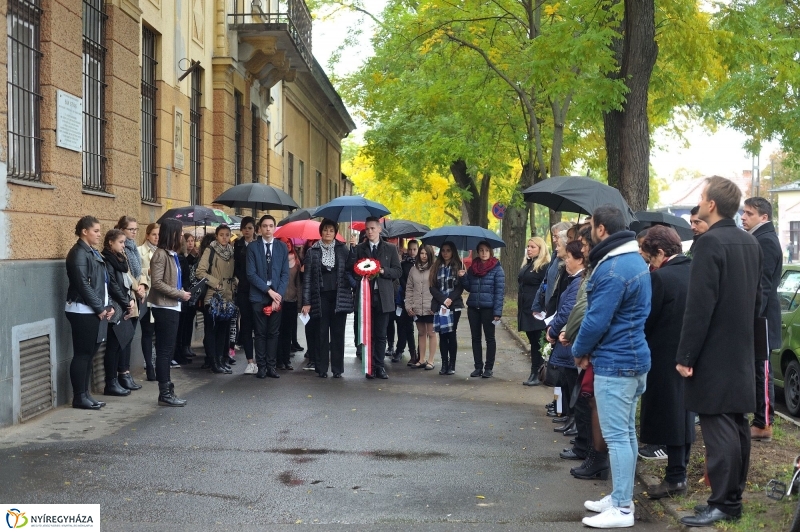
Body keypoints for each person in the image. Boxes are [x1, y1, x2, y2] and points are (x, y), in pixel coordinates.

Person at [676, 176, 762, 527]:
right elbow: (758, 298)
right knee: (737, 424)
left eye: (701, 197)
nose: (699, 201)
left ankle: (724, 504)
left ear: (711, 205)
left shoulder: (709, 243)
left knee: (719, 427)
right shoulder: (749, 242)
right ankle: (730, 499)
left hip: (713, 349)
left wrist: (685, 356)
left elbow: (699, 306)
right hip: (740, 346)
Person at [571, 205, 651, 529]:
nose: (588, 231)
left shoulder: (613, 267)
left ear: (602, 229)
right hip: (632, 358)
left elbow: (595, 320)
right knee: (626, 434)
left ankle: (621, 508)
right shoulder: (633, 260)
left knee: (617, 437)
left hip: (616, 363)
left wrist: (579, 350)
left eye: (591, 225)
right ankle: (621, 496)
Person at [638, 226, 694, 499]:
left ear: (661, 253)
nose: (650, 263)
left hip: (663, 354)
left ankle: (675, 477)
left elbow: (647, 320)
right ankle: (678, 472)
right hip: (690, 354)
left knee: (670, 415)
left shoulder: (661, 278)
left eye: (650, 258)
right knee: (684, 414)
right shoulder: (695, 271)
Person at [742, 197, 782, 442]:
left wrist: (753, 317)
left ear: (764, 217)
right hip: (760, 316)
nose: (743, 217)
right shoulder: (759, 239)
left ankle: (763, 423)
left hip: (762, 317)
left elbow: (763, 286)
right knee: (758, 369)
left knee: (762, 369)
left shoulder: (765, 241)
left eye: (749, 213)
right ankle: (760, 420)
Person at [65, 216, 113, 410]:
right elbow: (82, 284)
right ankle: (79, 397)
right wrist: (100, 308)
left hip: (92, 309)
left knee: (90, 353)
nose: (99, 234)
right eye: (96, 231)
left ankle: (85, 394)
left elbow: (102, 283)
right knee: (83, 354)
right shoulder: (78, 253)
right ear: (84, 231)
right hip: (81, 309)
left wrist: (106, 306)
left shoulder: (91, 252)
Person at [347, 217, 403, 379]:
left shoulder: (390, 249)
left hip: (383, 297)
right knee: (368, 334)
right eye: (367, 229)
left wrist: (384, 271)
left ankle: (380, 366)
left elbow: (398, 272)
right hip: (365, 297)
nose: (370, 232)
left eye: (372, 228)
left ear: (379, 229)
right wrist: (352, 251)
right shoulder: (359, 248)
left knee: (381, 334)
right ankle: (369, 366)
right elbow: (351, 269)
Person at [301, 219, 354, 378]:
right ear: (321, 232)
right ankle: (321, 368)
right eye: (325, 230)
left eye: (331, 230)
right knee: (321, 333)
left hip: (339, 296)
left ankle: (337, 369)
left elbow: (351, 267)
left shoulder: (343, 249)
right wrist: (306, 301)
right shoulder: (313, 251)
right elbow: (308, 278)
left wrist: (354, 248)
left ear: (335, 232)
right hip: (321, 296)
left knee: (338, 333)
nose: (328, 233)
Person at [147, 218, 191, 407]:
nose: (182, 235)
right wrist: (179, 293)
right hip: (164, 306)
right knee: (165, 351)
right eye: (180, 232)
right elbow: (157, 282)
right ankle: (164, 392)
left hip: (172, 305)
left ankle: (167, 389)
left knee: (168, 349)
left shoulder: (171, 254)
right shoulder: (160, 255)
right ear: (172, 233)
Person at [545, 240, 585, 435]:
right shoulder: (573, 279)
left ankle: (573, 419)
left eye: (569, 257)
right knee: (566, 381)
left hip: (568, 338)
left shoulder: (578, 282)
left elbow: (569, 310)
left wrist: (553, 330)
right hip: (564, 337)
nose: (566, 261)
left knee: (572, 382)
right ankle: (568, 416)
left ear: (579, 260)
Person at [246, 215, 290, 379]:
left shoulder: (281, 247)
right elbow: (251, 274)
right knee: (260, 333)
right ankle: (261, 367)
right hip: (259, 296)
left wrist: (276, 296)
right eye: (264, 226)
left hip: (277, 296)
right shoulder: (253, 248)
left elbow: (285, 274)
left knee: (273, 333)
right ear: (260, 228)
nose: (268, 229)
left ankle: (272, 367)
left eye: (271, 226)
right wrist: (268, 292)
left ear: (275, 228)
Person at [458, 241, 504, 378]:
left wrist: (497, 312)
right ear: (478, 252)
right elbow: (470, 288)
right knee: (475, 338)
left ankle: (489, 368)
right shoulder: (473, 267)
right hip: (473, 307)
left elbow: (499, 292)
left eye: (486, 250)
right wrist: (463, 277)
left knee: (490, 338)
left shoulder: (497, 269)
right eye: (481, 250)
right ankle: (478, 367)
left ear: (490, 252)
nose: (484, 253)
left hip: (488, 309)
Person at [196, 225, 237, 375]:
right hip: (213, 296)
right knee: (212, 330)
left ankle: (221, 360)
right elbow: (200, 271)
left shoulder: (231, 252)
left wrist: (235, 282)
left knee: (223, 331)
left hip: (228, 296)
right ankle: (213, 361)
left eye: (227, 235)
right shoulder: (210, 250)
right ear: (216, 236)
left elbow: (234, 272)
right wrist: (216, 283)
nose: (224, 238)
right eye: (221, 235)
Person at [102, 229, 138, 397]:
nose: (124, 246)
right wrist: (125, 302)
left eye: (124, 242)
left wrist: (129, 299)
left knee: (119, 345)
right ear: (111, 242)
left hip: (123, 303)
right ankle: (111, 382)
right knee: (113, 346)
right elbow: (112, 284)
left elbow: (127, 280)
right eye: (121, 242)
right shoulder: (107, 259)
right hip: (115, 306)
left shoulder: (119, 258)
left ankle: (116, 380)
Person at [115, 216, 147, 388]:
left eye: (136, 229)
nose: (134, 232)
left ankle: (125, 372)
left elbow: (140, 270)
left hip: (137, 294)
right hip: (127, 296)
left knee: (130, 336)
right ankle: (123, 373)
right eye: (131, 229)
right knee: (124, 337)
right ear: (122, 230)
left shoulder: (133, 247)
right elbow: (124, 273)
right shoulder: (120, 248)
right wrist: (137, 288)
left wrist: (142, 285)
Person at [430, 242, 464, 375]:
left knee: (451, 333)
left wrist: (450, 299)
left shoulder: (458, 266)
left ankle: (452, 364)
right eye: (443, 250)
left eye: (448, 250)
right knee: (442, 334)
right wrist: (443, 300)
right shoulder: (436, 266)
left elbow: (460, 287)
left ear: (453, 251)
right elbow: (432, 286)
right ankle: (444, 364)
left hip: (454, 305)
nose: (445, 253)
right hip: (440, 304)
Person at [518, 237, 549, 385]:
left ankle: (537, 372)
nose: (529, 249)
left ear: (540, 249)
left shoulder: (544, 266)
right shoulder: (528, 264)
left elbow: (546, 289)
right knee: (532, 341)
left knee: (537, 341)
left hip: (536, 309)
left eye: (533, 247)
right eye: (528, 246)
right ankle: (534, 371)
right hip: (525, 307)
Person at [405, 244, 436, 369]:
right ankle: (421, 359)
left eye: (426, 254)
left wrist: (436, 306)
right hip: (417, 306)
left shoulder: (434, 269)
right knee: (421, 332)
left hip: (430, 306)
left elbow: (438, 288)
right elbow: (409, 288)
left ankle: (431, 360)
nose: (423, 256)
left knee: (431, 332)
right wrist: (409, 305)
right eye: (422, 253)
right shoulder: (413, 269)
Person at [234, 217, 258, 374]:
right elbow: (234, 266)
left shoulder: (260, 244)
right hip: (243, 289)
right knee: (247, 325)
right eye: (245, 228)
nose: (247, 230)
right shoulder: (237, 244)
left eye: (250, 227)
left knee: (260, 326)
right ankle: (250, 360)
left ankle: (261, 359)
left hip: (258, 289)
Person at [277, 238, 303, 371]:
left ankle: (286, 360)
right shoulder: (277, 259)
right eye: (283, 242)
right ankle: (278, 359)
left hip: (292, 300)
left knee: (288, 332)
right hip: (278, 299)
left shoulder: (296, 261)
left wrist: (299, 300)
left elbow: (298, 282)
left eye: (288, 242)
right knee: (278, 331)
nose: (286, 244)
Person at [138, 223, 159, 379]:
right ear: (147, 235)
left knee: (160, 333)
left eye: (159, 235)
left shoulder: (163, 252)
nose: (157, 237)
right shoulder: (139, 251)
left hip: (161, 297)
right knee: (147, 332)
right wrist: (148, 271)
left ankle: (159, 364)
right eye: (153, 234)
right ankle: (149, 366)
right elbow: (135, 270)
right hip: (146, 296)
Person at [175, 232, 199, 364]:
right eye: (186, 239)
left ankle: (183, 348)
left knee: (185, 324)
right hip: (178, 294)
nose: (188, 242)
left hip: (185, 293)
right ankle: (178, 352)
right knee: (179, 327)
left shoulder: (183, 257)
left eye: (191, 240)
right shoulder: (179, 257)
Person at [396, 239, 418, 366]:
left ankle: (414, 353)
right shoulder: (403, 264)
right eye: (410, 249)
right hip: (405, 297)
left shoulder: (421, 264)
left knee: (416, 328)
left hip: (418, 298)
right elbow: (402, 280)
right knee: (403, 325)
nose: (412, 252)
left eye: (414, 249)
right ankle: (400, 350)